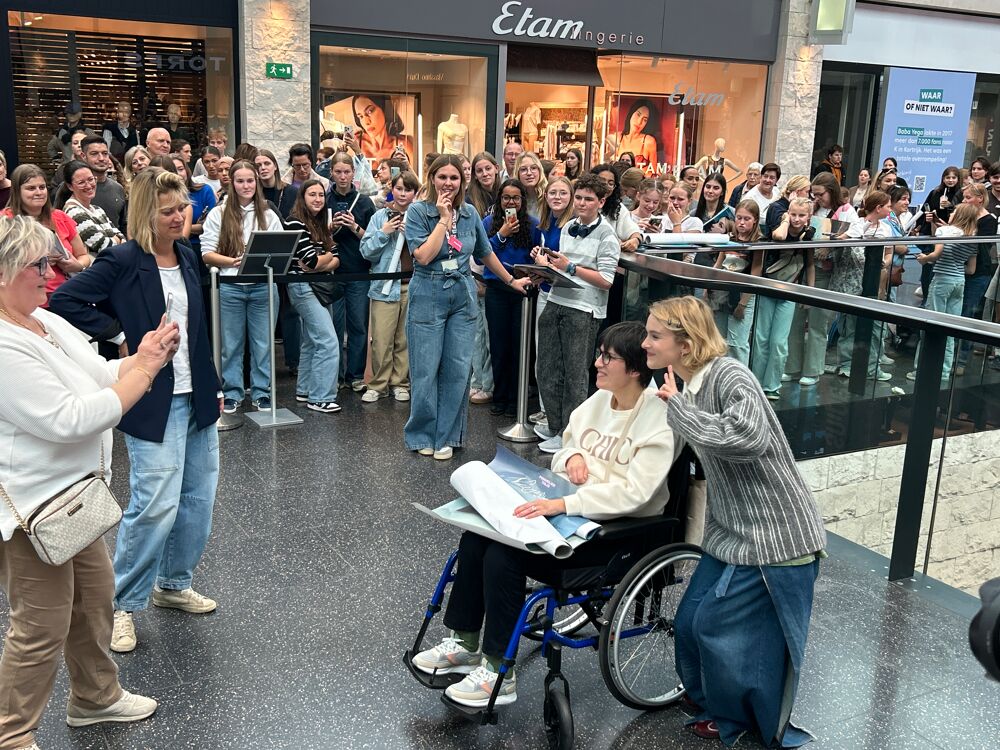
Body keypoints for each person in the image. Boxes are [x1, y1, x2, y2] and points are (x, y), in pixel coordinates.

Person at [411, 321, 678, 708]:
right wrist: (570, 460)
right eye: (600, 353)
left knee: (505, 555)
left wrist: (564, 504)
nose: (597, 363)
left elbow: (637, 495)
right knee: (478, 536)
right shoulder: (599, 401)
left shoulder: (658, 417)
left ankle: (499, 671)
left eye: (608, 357)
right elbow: (565, 446)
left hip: (613, 533)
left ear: (635, 370)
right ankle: (466, 643)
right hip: (567, 513)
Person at [0, 216, 171, 750]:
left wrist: (140, 359)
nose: (50, 274)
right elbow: (69, 418)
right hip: (32, 507)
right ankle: (10, 733)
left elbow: (100, 375)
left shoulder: (45, 323)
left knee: (94, 599)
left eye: (50, 262)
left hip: (73, 497)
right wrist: (144, 373)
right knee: (41, 626)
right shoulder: (4, 345)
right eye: (37, 265)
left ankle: (94, 698)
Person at [48, 166, 221, 656]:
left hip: (197, 394)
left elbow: (198, 326)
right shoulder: (123, 259)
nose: (179, 216)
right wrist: (121, 337)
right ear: (148, 213)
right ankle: (120, 603)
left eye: (182, 207)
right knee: (155, 504)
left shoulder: (188, 255)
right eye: (168, 211)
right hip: (150, 396)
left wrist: (213, 384)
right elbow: (65, 299)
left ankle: (173, 581)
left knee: (197, 500)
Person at [644, 295, 826, 747]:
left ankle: (736, 718)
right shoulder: (686, 385)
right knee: (688, 622)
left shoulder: (730, 375)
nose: (645, 343)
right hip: (730, 531)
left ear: (685, 345)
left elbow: (747, 437)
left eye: (654, 336)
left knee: (715, 626)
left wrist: (678, 409)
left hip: (776, 536)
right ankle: (711, 699)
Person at [403, 154, 530, 460]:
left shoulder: (471, 213)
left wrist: (510, 280)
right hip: (427, 291)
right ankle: (422, 433)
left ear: (463, 181)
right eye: (442, 177)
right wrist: (444, 220)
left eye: (454, 177)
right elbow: (423, 255)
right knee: (425, 369)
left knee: (458, 369)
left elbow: (486, 253)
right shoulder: (419, 212)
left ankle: (447, 435)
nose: (448, 183)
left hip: (462, 293)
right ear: (432, 178)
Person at [530, 173, 621, 453]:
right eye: (578, 197)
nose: (581, 203)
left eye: (588, 199)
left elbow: (607, 280)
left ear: (601, 201)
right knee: (547, 368)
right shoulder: (569, 227)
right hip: (557, 298)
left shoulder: (607, 234)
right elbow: (563, 266)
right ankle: (556, 424)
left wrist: (570, 267)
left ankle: (571, 433)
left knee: (575, 374)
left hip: (584, 308)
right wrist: (544, 267)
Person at [200, 160, 283, 412]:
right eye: (240, 181)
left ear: (256, 182)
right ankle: (232, 392)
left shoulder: (268, 214)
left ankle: (262, 392)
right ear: (231, 183)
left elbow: (280, 250)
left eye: (250, 180)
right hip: (230, 286)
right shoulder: (218, 213)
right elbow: (207, 254)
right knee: (231, 345)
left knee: (264, 344)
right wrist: (234, 261)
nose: (246, 185)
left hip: (263, 287)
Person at [361, 170, 420, 403]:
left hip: (412, 285)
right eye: (399, 188)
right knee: (381, 338)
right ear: (391, 190)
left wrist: (413, 235)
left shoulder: (420, 216)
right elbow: (366, 251)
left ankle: (400, 383)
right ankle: (378, 384)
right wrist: (384, 233)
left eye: (408, 189)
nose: (403, 193)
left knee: (404, 339)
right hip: (384, 285)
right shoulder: (379, 217)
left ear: (415, 193)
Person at [283, 179, 342, 413]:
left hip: (319, 285)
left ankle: (305, 389)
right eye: (312, 195)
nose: (317, 199)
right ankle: (320, 397)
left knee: (311, 339)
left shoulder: (319, 222)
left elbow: (333, 257)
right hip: (302, 286)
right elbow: (311, 261)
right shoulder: (294, 222)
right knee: (328, 341)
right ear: (302, 197)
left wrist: (323, 259)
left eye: (320, 195)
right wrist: (324, 259)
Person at [482, 179, 539, 417]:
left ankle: (517, 399)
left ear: (523, 201)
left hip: (522, 291)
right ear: (499, 200)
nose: (511, 202)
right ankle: (500, 396)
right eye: (506, 197)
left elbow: (538, 257)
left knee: (520, 345)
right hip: (496, 290)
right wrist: (502, 234)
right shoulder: (488, 223)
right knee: (498, 345)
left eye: (516, 198)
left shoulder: (533, 225)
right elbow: (481, 255)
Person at [907, 203, 982, 383]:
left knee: (931, 325)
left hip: (942, 281)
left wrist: (925, 259)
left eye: (954, 211)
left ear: (959, 215)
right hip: (959, 283)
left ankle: (921, 370)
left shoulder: (945, 231)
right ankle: (944, 372)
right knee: (950, 328)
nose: (951, 213)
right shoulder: (973, 238)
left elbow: (936, 253)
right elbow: (971, 270)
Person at [751, 197, 816, 400]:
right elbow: (778, 237)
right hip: (768, 287)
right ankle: (756, 382)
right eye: (793, 214)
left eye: (801, 215)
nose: (797, 219)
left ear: (809, 217)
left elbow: (810, 263)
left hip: (789, 292)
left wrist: (811, 292)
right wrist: (786, 220)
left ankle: (772, 384)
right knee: (761, 338)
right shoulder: (779, 227)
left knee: (779, 341)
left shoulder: (810, 235)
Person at [2, 164, 91, 301]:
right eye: (31, 188)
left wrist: (76, 265)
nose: (39, 192)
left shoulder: (60, 217)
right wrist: (38, 259)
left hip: (66, 295)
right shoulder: (6, 221)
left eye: (42, 187)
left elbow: (83, 255)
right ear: (17, 191)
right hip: (25, 298)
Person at [326, 153, 376, 392]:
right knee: (333, 327)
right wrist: (332, 227)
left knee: (358, 326)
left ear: (353, 174)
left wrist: (354, 227)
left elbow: (376, 238)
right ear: (332, 173)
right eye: (338, 172)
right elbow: (316, 235)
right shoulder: (324, 199)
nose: (343, 176)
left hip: (359, 271)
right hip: (332, 271)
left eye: (347, 172)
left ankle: (355, 375)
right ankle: (334, 375)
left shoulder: (365, 202)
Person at [833, 191, 894, 380]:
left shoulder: (886, 228)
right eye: (888, 206)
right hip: (853, 284)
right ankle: (846, 364)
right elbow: (841, 242)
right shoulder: (857, 226)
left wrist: (885, 261)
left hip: (875, 284)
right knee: (849, 325)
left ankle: (872, 368)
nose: (890, 209)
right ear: (878, 208)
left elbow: (890, 251)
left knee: (876, 328)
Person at [710, 199, 764, 364]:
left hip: (742, 294)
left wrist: (743, 303)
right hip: (722, 291)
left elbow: (756, 273)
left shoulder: (758, 242)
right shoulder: (730, 238)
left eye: (746, 219)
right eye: (739, 218)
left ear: (755, 219)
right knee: (719, 340)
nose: (741, 222)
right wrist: (708, 287)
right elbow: (718, 264)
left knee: (737, 344)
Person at [955, 183, 998, 372]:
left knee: (968, 313)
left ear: (980, 198)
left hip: (978, 272)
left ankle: (961, 359)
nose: (964, 201)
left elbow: (982, 246)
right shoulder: (963, 215)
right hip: (959, 268)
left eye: (968, 197)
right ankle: (950, 354)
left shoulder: (988, 220)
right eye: (963, 198)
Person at [57, 161, 125, 256]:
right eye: (81, 182)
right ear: (70, 186)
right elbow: (105, 246)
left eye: (90, 179)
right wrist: (117, 239)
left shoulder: (97, 209)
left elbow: (122, 237)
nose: (89, 186)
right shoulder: (73, 212)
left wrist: (116, 239)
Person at [172, 153, 216, 254]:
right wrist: (193, 227)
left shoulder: (204, 190)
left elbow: (209, 226)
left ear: (186, 170)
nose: (178, 174)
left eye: (180, 169)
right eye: (173, 170)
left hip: (201, 246)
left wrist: (185, 227)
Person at [352, 94, 415, 165]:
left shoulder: (402, 145)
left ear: (384, 109)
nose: (366, 122)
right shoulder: (355, 143)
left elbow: (415, 174)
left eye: (370, 111)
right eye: (360, 116)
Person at [591, 164, 641, 252]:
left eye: (610, 183)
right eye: (602, 181)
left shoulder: (617, 207)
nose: (606, 186)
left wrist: (635, 240)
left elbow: (633, 232)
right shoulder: (581, 203)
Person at [80, 137, 126, 231]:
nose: (101, 158)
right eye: (94, 154)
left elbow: (124, 225)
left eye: (105, 154)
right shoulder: (73, 187)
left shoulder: (118, 188)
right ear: (83, 156)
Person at [616, 99, 659, 171]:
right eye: (638, 114)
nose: (639, 121)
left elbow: (653, 171)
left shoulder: (649, 141)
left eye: (645, 119)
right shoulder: (617, 138)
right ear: (631, 113)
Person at [255, 149, 298, 220]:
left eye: (267, 163)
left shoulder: (292, 192)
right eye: (258, 165)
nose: (263, 168)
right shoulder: (253, 194)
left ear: (275, 166)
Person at [763, 174, 810, 238]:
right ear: (797, 192)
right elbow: (782, 234)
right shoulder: (776, 207)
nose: (807, 196)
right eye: (807, 192)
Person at [513, 152, 547, 219]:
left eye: (533, 168)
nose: (529, 173)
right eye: (523, 169)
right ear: (518, 174)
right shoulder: (514, 199)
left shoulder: (549, 196)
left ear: (539, 171)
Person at [468, 151, 500, 218]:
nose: (485, 174)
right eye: (479, 171)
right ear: (475, 175)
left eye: (488, 169)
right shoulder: (469, 201)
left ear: (496, 169)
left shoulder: (504, 194)